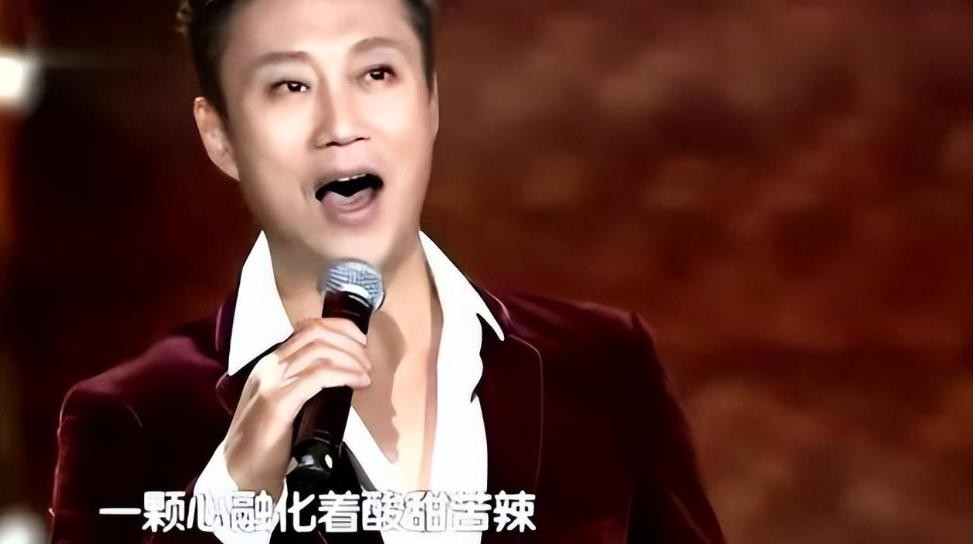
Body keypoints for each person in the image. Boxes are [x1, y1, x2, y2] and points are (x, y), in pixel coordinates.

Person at [50, 0, 724, 542]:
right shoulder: (130, 420)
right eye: (289, 85)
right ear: (220, 136)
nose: (341, 125)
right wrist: (231, 502)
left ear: (430, 100)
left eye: (376, 74)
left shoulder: (604, 367)